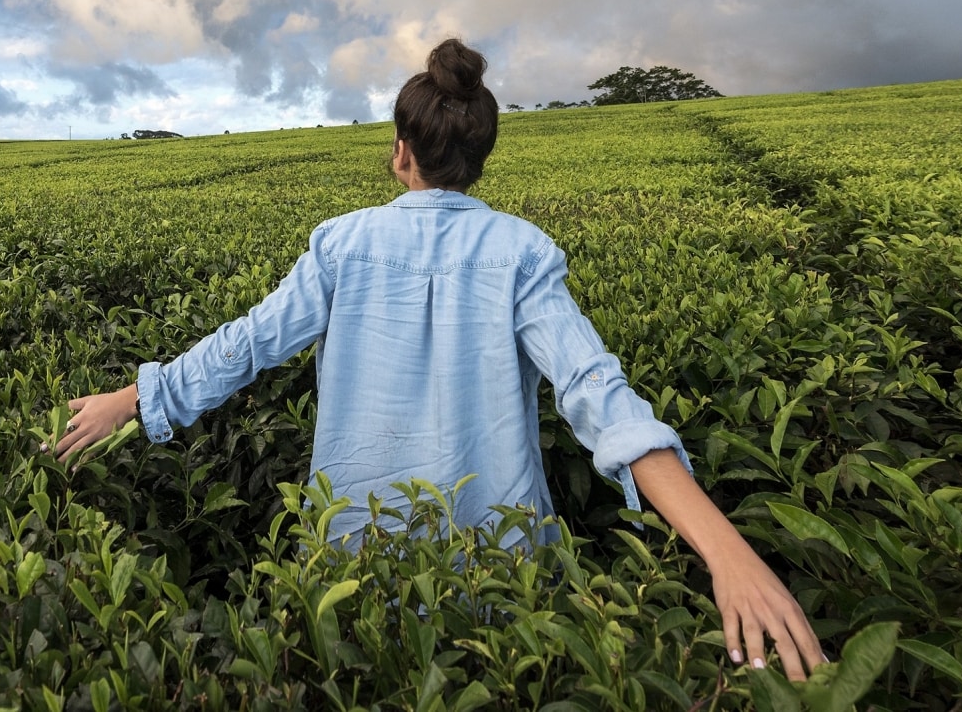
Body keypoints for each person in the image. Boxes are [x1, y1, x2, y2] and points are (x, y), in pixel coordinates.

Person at [50, 39, 827, 681]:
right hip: (501, 577)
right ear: (478, 158)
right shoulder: (522, 253)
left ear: (400, 153)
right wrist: (727, 551)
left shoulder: (341, 243)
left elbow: (248, 343)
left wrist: (139, 396)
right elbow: (601, 396)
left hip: (354, 564)